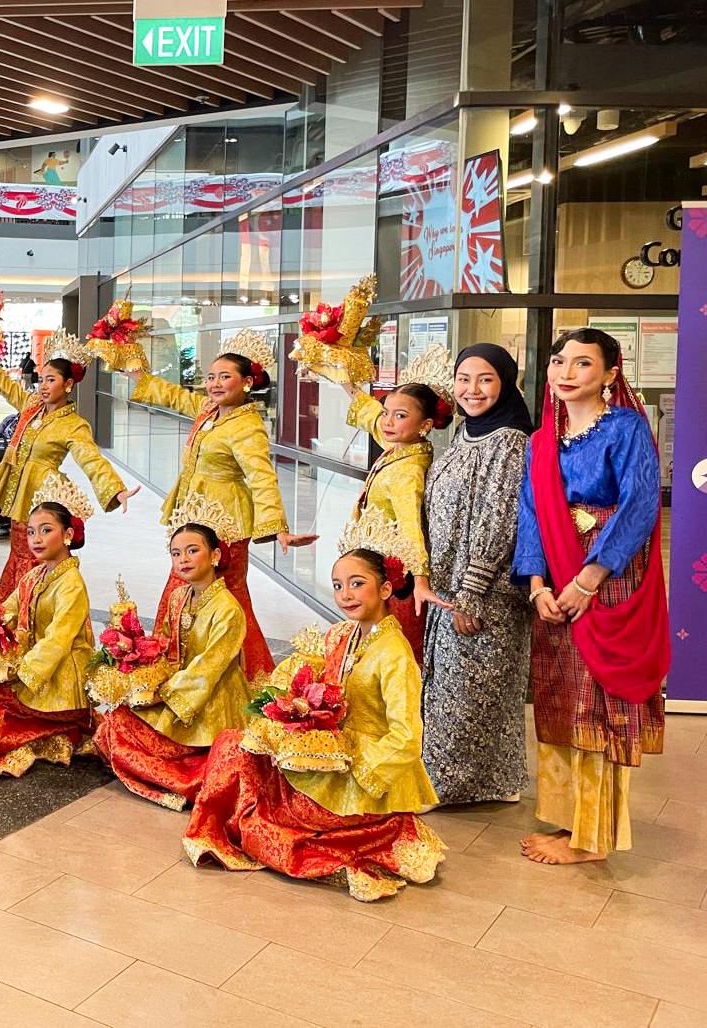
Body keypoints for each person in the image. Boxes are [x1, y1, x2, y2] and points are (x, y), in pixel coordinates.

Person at [183, 533, 445, 902]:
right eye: (338, 586)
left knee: (270, 807)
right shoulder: (344, 633)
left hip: (363, 772)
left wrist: (360, 775)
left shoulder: (395, 654)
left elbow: (406, 736)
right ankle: (222, 825)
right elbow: (315, 673)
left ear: (386, 589)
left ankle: (246, 827)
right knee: (235, 743)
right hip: (328, 749)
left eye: (357, 584)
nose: (346, 595)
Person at [514, 328, 669, 865]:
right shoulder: (542, 440)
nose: (565, 372)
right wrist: (536, 586)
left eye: (582, 363)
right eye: (559, 361)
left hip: (606, 580)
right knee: (561, 696)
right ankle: (570, 820)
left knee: (597, 701)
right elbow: (531, 514)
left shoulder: (625, 428)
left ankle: (593, 838)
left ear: (609, 374)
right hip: (555, 580)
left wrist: (589, 579)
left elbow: (639, 505)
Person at [123, 336, 316, 677]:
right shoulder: (211, 412)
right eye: (211, 376)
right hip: (196, 517)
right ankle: (181, 667)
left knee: (228, 599)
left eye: (225, 376)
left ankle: (242, 677)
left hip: (225, 525)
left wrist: (277, 526)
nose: (214, 383)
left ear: (247, 382)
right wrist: (138, 374)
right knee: (184, 592)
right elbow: (174, 396)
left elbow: (261, 477)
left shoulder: (247, 426)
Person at [421, 343, 533, 806]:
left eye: (485, 379)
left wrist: (471, 592)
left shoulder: (509, 440)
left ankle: (446, 785)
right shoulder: (467, 433)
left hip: (483, 591)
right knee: (463, 686)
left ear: (505, 382)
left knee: (470, 691)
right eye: (464, 379)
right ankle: (498, 780)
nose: (472, 390)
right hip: (451, 585)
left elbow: (499, 518)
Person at [94, 506, 249, 810]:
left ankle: (186, 779)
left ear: (215, 556)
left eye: (192, 551)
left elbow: (208, 670)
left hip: (209, 701)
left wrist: (162, 694)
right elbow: (164, 643)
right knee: (115, 723)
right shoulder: (179, 597)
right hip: (175, 687)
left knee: (131, 735)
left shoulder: (228, 610)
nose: (183, 560)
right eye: (176, 554)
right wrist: (137, 660)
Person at [0, 332, 136, 596]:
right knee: (19, 551)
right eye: (40, 379)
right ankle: (14, 610)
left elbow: (91, 459)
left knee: (36, 557)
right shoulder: (32, 405)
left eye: (51, 380)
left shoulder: (73, 424)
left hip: (38, 497)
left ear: (68, 384)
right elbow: (3, 383)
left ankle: (34, 610)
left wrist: (115, 489)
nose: (42, 386)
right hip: (16, 491)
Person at [0, 476, 98, 778]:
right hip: (33, 667)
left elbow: (58, 639)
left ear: (68, 534)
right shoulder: (34, 576)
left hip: (56, 677)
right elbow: (7, 611)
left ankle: (56, 729)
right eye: (31, 532)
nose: (36, 539)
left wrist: (23, 674)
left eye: (46, 531)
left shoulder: (72, 585)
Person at [334, 360, 451, 653]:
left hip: (396, 577)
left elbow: (412, 527)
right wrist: (345, 380)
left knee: (388, 650)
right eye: (387, 413)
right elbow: (373, 418)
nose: (387, 422)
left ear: (425, 426)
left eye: (399, 416)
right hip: (376, 568)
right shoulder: (400, 448)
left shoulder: (408, 471)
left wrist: (421, 580)